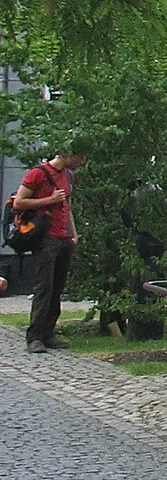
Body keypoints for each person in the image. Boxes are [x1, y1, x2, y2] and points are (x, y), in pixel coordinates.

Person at [14, 148, 83, 353]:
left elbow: (67, 206)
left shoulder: (68, 176)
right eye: (80, 156)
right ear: (67, 154)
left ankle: (49, 332)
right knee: (44, 287)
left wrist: (73, 233)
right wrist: (48, 200)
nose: (82, 161)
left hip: (63, 238)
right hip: (45, 238)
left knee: (57, 287)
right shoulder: (38, 173)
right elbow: (19, 202)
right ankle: (34, 336)